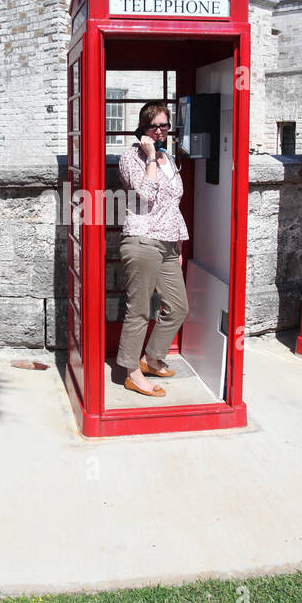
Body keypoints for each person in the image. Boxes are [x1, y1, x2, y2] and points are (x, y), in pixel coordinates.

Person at [116, 101, 189, 398]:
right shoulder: (131, 158)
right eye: (153, 126)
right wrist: (148, 157)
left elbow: (174, 203)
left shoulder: (169, 158)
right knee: (139, 311)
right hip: (143, 240)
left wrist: (179, 243)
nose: (159, 132)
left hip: (168, 242)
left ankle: (151, 358)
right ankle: (131, 372)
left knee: (178, 307)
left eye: (164, 126)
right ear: (142, 130)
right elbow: (146, 194)